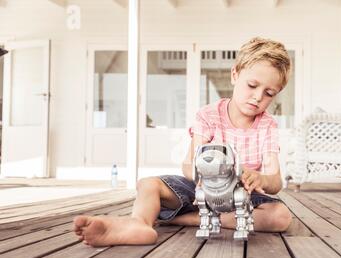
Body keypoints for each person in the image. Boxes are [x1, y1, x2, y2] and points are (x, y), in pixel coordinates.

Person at [74, 37, 293, 246]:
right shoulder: (208, 115)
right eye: (252, 85)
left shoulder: (267, 126)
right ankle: (138, 224)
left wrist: (261, 179)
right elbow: (189, 163)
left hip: (242, 195)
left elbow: (275, 181)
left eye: (269, 93)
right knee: (148, 184)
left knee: (281, 217)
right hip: (202, 187)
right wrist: (202, 175)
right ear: (235, 74)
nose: (257, 97)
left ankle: (182, 219)